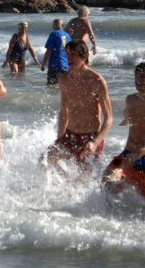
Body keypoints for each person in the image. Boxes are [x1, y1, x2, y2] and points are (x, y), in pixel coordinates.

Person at [45, 40, 113, 174]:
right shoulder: (64, 79)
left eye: (73, 54)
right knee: (46, 158)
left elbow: (109, 118)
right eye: (67, 54)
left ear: (85, 56)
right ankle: (66, 181)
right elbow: (64, 111)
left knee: (84, 181)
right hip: (70, 135)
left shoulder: (97, 81)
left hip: (90, 138)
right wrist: (60, 137)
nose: (68, 58)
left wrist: (95, 143)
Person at [103, 63, 145, 205]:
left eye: (143, 77)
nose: (138, 80)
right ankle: (108, 219)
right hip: (127, 154)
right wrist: (126, 118)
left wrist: (139, 154)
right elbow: (131, 114)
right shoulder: (130, 100)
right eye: (136, 76)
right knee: (107, 179)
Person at [41, 18, 72, 85]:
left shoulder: (54, 34)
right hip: (66, 65)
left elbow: (49, 50)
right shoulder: (67, 35)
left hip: (55, 65)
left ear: (54, 25)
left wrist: (43, 63)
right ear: (62, 25)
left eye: (54, 23)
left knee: (51, 86)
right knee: (63, 87)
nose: (53, 25)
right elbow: (70, 50)